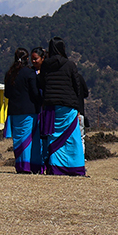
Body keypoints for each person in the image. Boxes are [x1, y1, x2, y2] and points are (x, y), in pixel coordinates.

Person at [36, 37, 88, 176]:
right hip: (68, 105)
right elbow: (77, 86)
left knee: (54, 136)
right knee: (72, 137)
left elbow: (41, 83)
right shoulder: (70, 64)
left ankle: (55, 167)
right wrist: (78, 107)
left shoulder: (46, 65)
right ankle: (75, 167)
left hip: (51, 106)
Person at [3, 48, 42, 174]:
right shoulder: (29, 73)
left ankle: (20, 165)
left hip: (14, 112)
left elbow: (7, 94)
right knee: (30, 140)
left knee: (19, 140)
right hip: (29, 111)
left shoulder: (9, 74)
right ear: (26, 59)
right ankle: (30, 166)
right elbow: (35, 92)